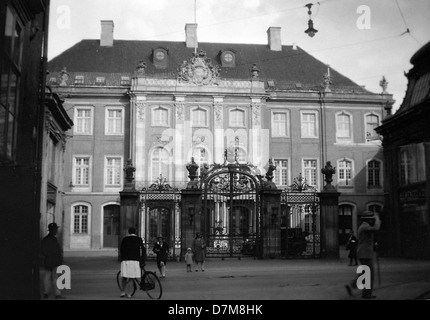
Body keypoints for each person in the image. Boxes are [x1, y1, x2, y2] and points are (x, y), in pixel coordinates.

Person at [345, 211, 381, 299]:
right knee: (369, 274)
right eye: (371, 219)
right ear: (368, 219)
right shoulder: (365, 226)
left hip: (364, 252)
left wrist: (373, 245)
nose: (372, 221)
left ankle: (358, 289)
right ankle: (362, 291)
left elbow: (367, 239)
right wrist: (377, 219)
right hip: (365, 253)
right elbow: (376, 228)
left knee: (365, 273)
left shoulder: (364, 227)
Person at [119, 227, 146, 298]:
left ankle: (122, 291)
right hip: (134, 260)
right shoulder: (139, 239)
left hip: (125, 260)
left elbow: (121, 249)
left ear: (129, 232)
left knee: (124, 277)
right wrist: (143, 260)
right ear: (135, 232)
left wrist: (122, 258)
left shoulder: (125, 239)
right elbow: (143, 250)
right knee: (131, 278)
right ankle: (128, 293)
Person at [41, 222, 64, 299]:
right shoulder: (53, 240)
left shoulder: (45, 239)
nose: (57, 231)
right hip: (54, 261)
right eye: (56, 229)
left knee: (47, 277)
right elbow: (57, 251)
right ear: (53, 230)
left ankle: (46, 293)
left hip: (48, 261)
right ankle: (57, 293)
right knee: (55, 277)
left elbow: (43, 251)